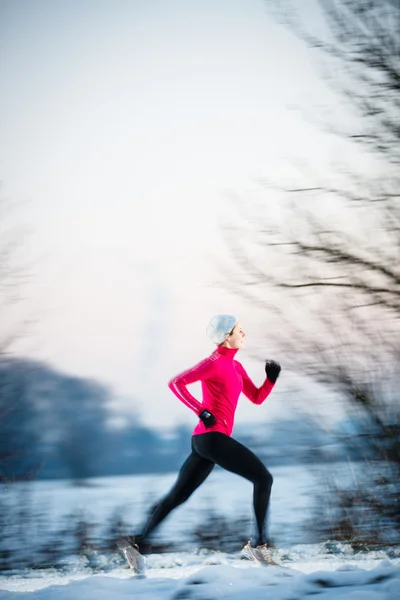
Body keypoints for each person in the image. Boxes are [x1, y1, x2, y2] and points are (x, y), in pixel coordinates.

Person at [130, 314, 281, 563]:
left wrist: (270, 380)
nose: (244, 334)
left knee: (178, 496)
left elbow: (256, 397)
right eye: (239, 330)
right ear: (226, 336)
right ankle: (258, 545)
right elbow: (176, 383)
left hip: (205, 442)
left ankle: (138, 543)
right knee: (263, 478)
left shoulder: (235, 366)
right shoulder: (213, 363)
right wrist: (201, 411)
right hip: (212, 438)